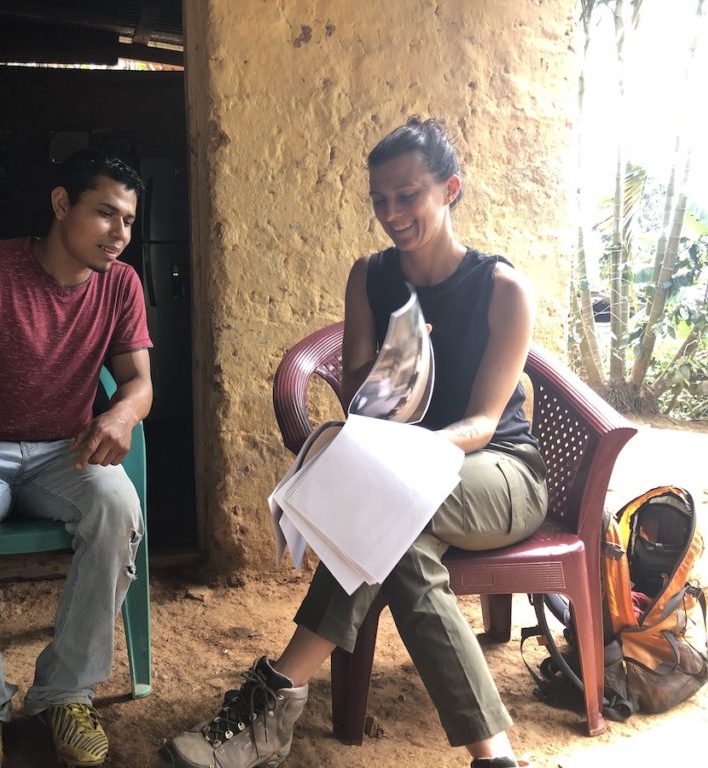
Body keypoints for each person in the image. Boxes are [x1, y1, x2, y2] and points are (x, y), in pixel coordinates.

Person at [160, 117, 549, 768]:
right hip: (404, 482)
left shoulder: (502, 290)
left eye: (408, 195)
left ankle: (274, 702)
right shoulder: (370, 277)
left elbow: (484, 421)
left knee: (388, 511)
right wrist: (382, 390)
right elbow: (365, 399)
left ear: (449, 189)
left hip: (497, 471)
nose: (391, 213)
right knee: (402, 546)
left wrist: (412, 457)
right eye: (379, 199)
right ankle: (494, 757)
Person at [0, 149, 153, 768]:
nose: (119, 235)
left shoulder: (120, 284)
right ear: (61, 204)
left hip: (63, 454)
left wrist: (120, 412)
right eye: (104, 214)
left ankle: (66, 693)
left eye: (128, 221)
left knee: (118, 504)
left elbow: (139, 382)